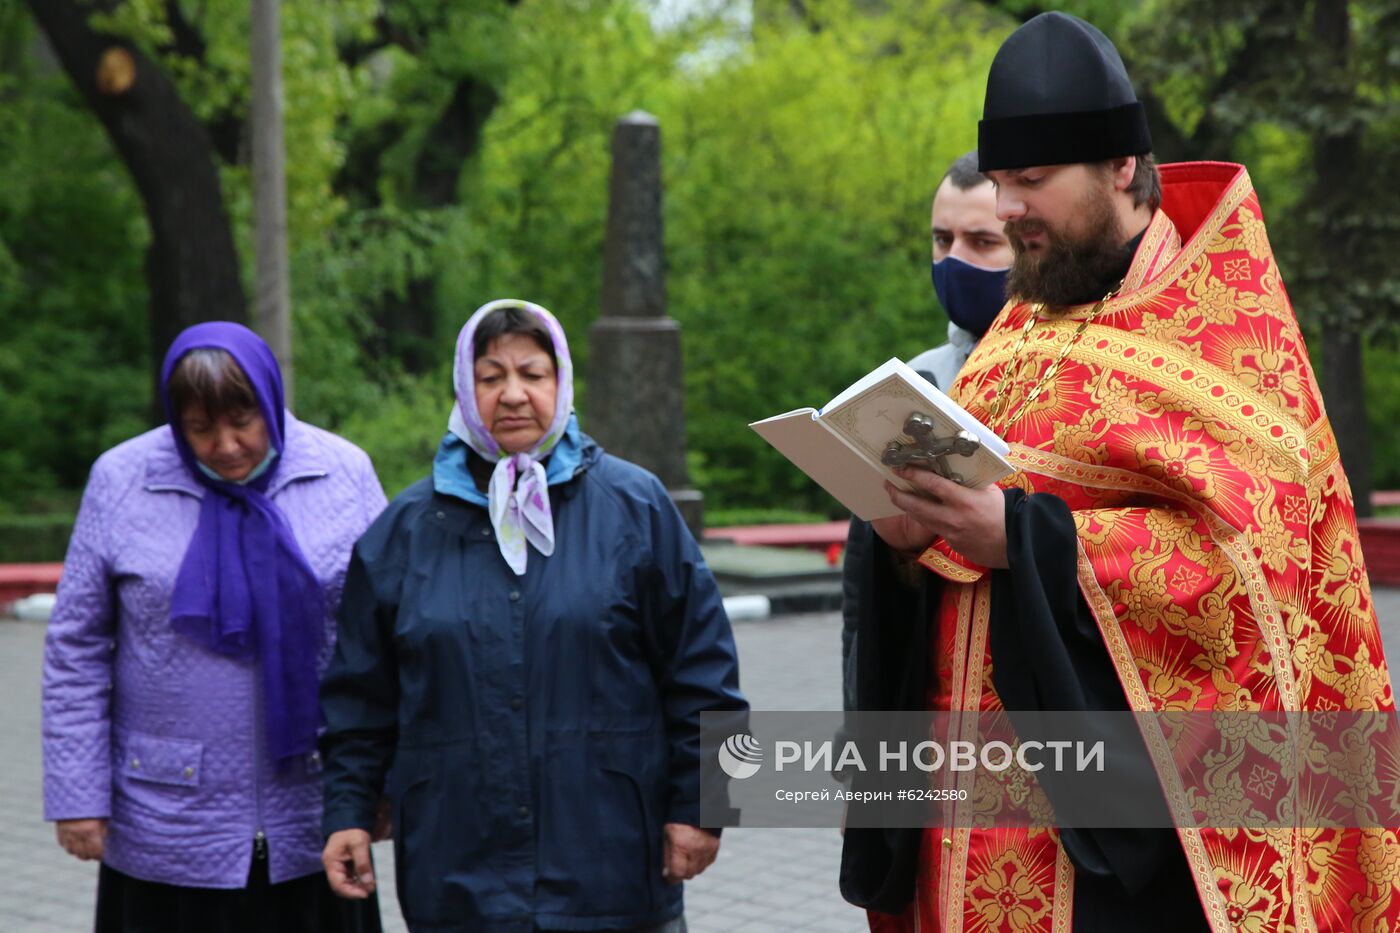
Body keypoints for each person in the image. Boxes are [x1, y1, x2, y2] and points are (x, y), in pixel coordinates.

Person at [839, 11, 1400, 932]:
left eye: (1032, 182)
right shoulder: (1023, 322)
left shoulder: (1225, 333)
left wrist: (1023, 537)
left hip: (1124, 856)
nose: (1009, 207)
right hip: (964, 816)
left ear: (1122, 170)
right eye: (1001, 183)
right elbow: (959, 542)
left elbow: (1252, 569)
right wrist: (901, 532)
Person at [319, 299, 747, 932]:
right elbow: (360, 694)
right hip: (456, 870)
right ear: (465, 389)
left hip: (611, 865)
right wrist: (348, 811)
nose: (513, 395)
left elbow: (704, 672)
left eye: (532, 374)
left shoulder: (634, 507)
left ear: (562, 381)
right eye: (491, 377)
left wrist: (704, 806)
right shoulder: (406, 532)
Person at [42, 322, 388, 932]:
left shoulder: (343, 473)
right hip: (167, 817)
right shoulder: (122, 480)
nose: (226, 446)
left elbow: (381, 641)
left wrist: (380, 784)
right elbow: (77, 648)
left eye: (243, 421)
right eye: (199, 429)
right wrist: (78, 794)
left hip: (313, 814)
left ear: (272, 400)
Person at [841, 150, 1014, 716]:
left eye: (982, 243)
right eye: (942, 241)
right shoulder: (916, 382)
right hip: (924, 702)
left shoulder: (1068, 382)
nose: (953, 261)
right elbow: (860, 597)